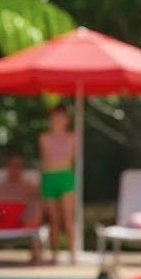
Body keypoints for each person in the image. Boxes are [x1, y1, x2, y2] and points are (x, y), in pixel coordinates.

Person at [0, 153, 43, 263]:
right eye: (12, 165)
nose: (15, 169)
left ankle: (36, 253)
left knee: (36, 206)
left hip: (22, 223)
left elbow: (41, 202)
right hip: (1, 220)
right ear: (7, 167)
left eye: (18, 166)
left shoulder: (28, 187)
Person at [40, 104, 78, 264]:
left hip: (65, 177)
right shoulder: (44, 137)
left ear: (66, 120)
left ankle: (72, 254)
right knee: (53, 220)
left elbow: (73, 159)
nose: (57, 120)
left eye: (61, 117)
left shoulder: (72, 137)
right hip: (49, 177)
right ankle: (54, 254)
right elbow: (44, 160)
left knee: (68, 218)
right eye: (55, 117)